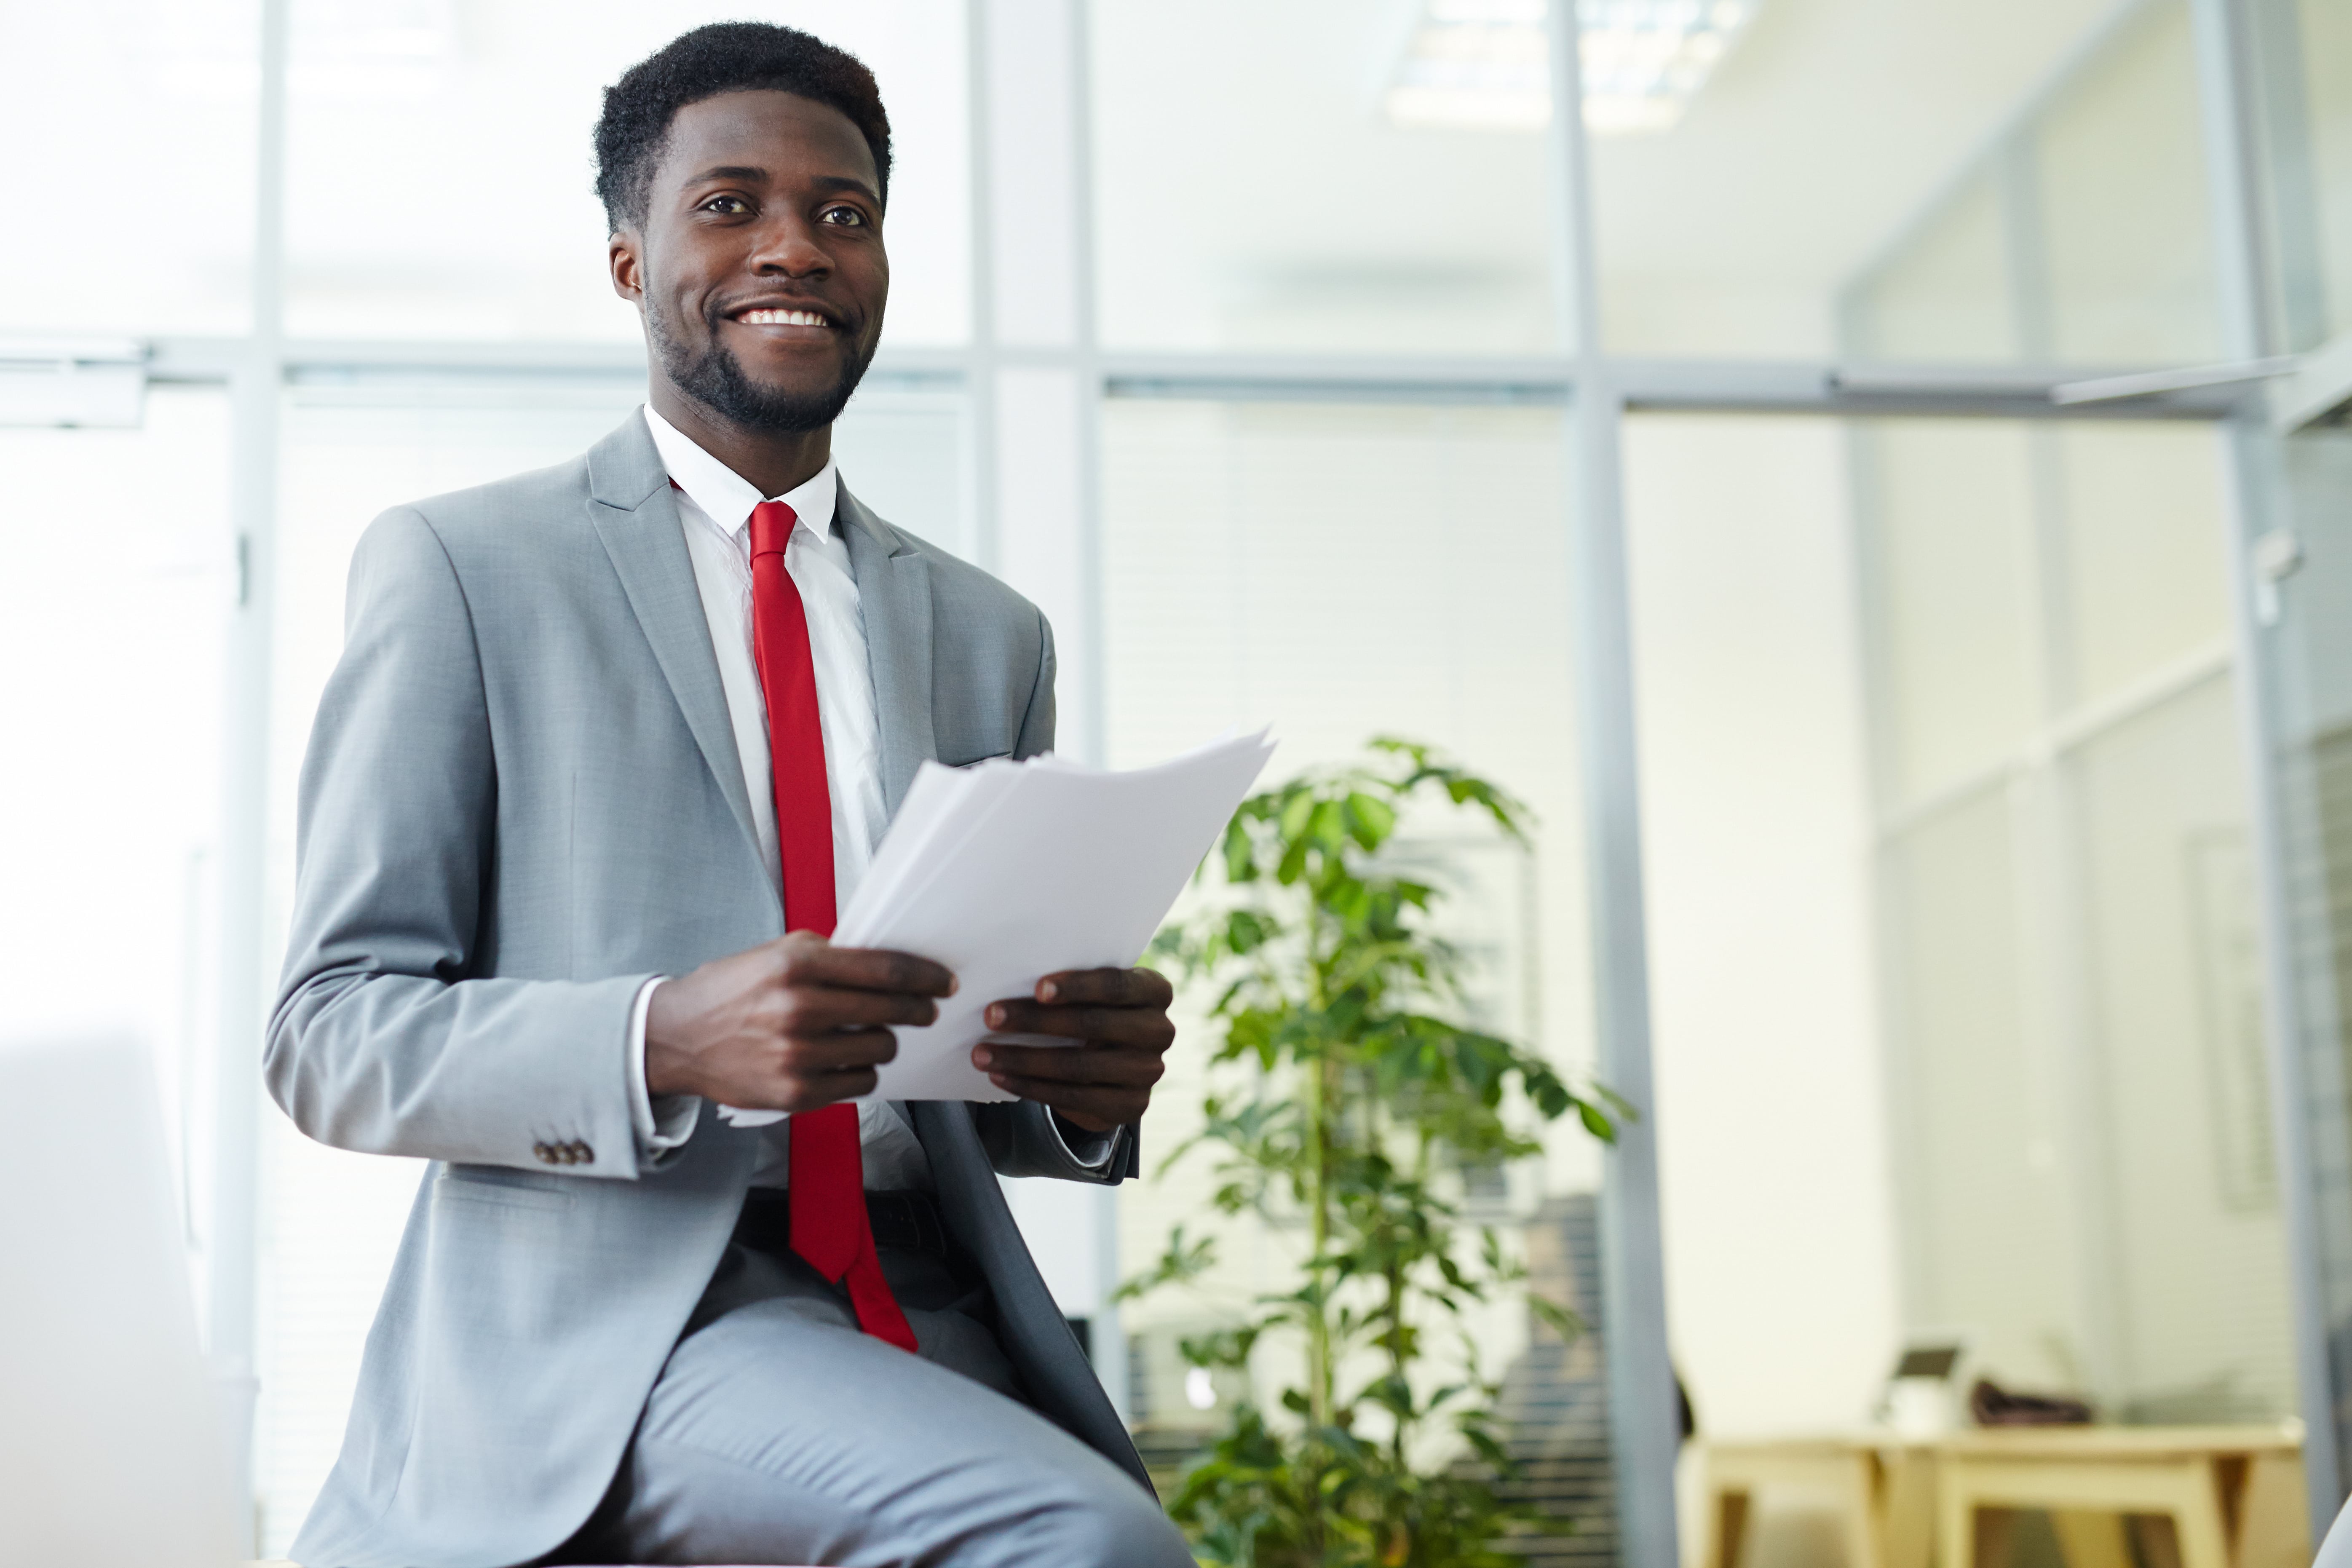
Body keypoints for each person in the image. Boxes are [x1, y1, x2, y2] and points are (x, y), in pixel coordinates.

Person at [266, 22, 1196, 1568]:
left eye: (844, 213)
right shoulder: (467, 570)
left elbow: (973, 1059)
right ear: (630, 261)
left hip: (938, 1290)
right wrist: (661, 1036)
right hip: (641, 1316)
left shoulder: (988, 631)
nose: (797, 247)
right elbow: (331, 1033)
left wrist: (1074, 1085)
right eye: (730, 205)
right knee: (1083, 1544)